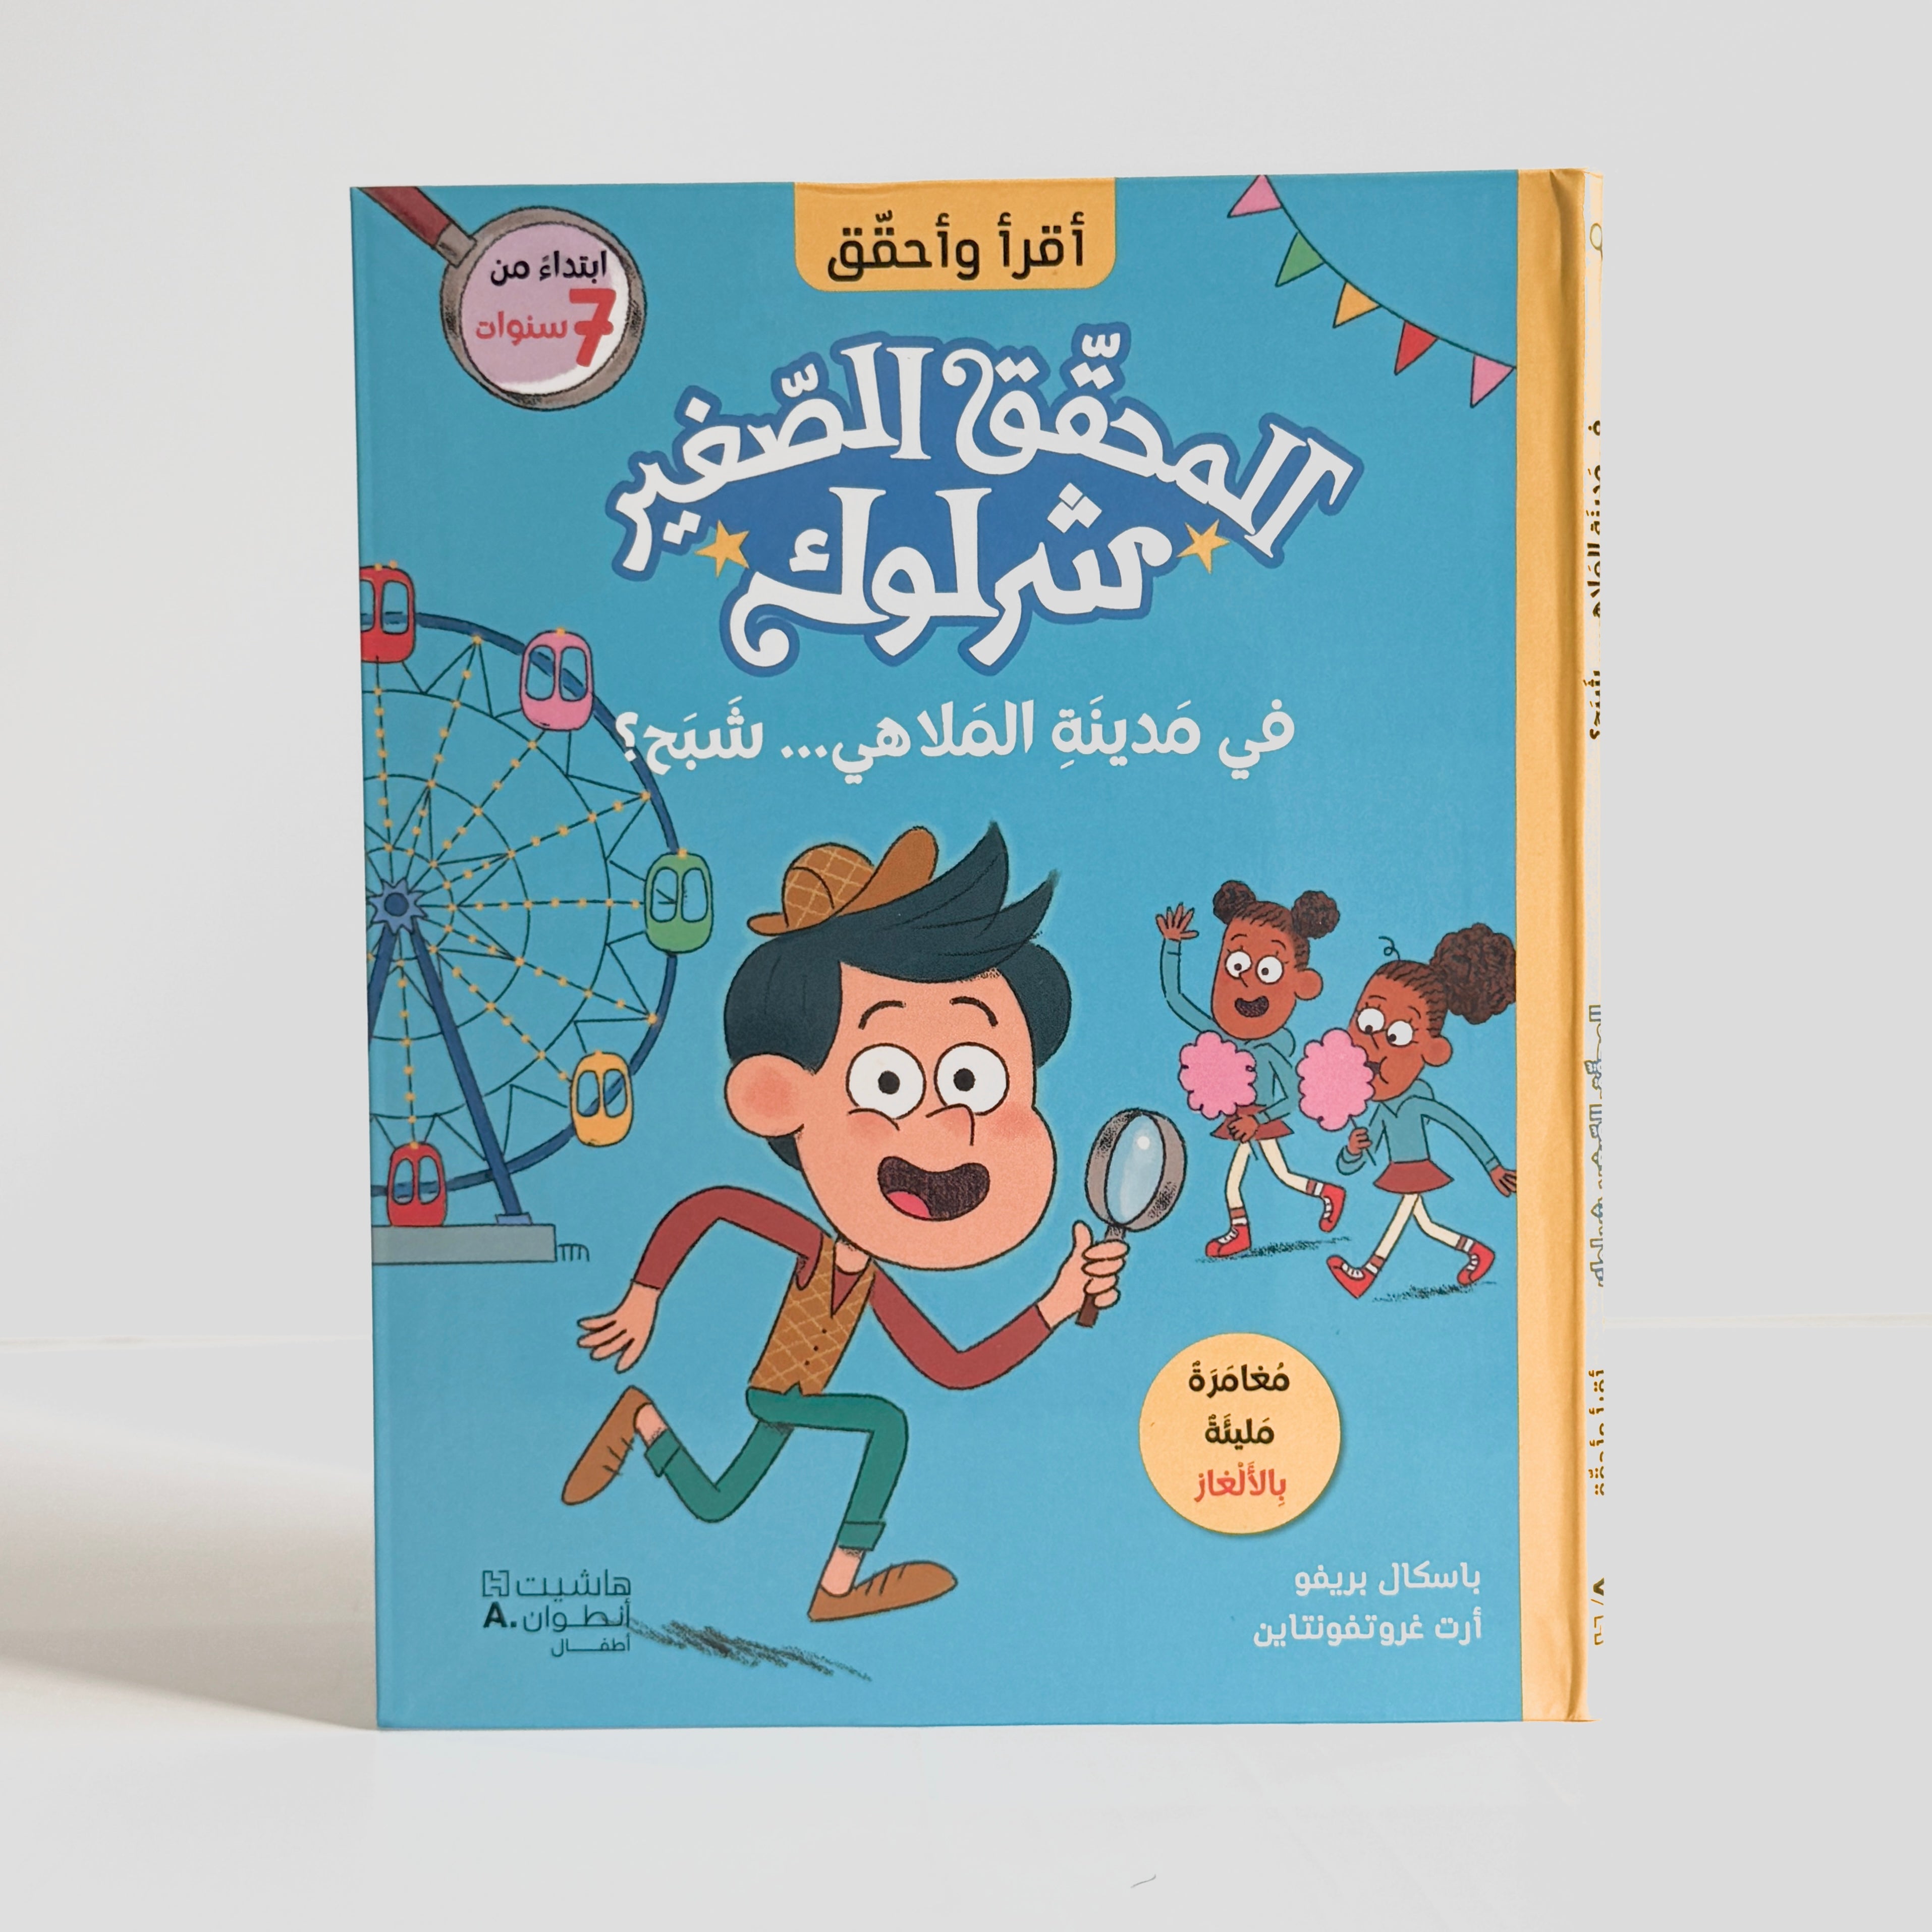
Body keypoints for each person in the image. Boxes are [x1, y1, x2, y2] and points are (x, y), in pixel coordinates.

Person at [561, 825, 1125, 1622]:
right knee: (884, 1426)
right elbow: (712, 1205)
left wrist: (1058, 1303)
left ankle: (640, 1419)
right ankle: (836, 1589)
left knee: (717, 1502)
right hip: (776, 1396)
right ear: (777, 1097)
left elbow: (952, 1365)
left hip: (790, 1397)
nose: (948, 1121)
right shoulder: (814, 1245)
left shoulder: (872, 1281)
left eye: (974, 1077)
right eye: (887, 1081)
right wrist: (642, 1296)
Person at [1325, 925, 1518, 1296]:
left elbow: (1460, 1127)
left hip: (1414, 1169)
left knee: (1405, 1217)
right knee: (1424, 1223)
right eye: (1367, 1021)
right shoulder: (1382, 1106)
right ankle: (1476, 1251)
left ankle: (1366, 1272)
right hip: (1399, 1169)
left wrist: (1493, 1167)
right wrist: (1352, 1149)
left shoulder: (1416, 1102)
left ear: (1433, 1051)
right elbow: (1357, 1158)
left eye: (1396, 1035)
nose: (1373, 1044)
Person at [1156, 880, 1345, 1258]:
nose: (1246, 980)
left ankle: (1243, 1231)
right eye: (1236, 964)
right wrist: (1172, 945)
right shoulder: (1220, 1035)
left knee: (1240, 1182)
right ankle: (1326, 1193)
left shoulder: (1269, 1051)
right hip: (1243, 1118)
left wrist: (1257, 1120)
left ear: (1302, 985)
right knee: (1277, 1175)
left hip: (1256, 1118)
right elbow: (1176, 998)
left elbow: (1291, 1097)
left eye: (1268, 970)